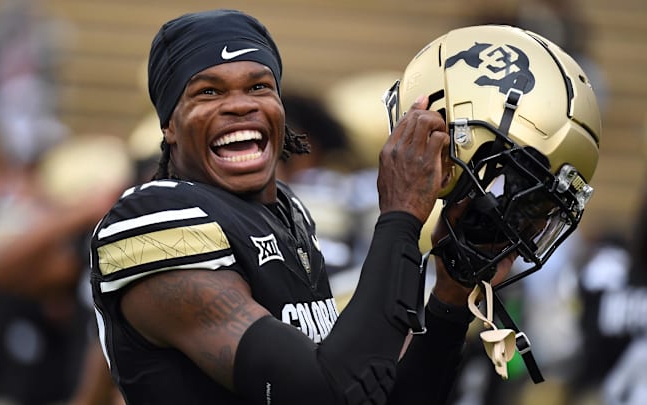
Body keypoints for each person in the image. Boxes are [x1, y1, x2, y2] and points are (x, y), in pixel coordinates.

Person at [89, 10, 601, 404]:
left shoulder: (289, 214)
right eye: (207, 91)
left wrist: (449, 293)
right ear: (168, 125)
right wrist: (399, 215)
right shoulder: (153, 223)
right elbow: (323, 392)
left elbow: (375, 395)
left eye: (259, 87)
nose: (240, 104)